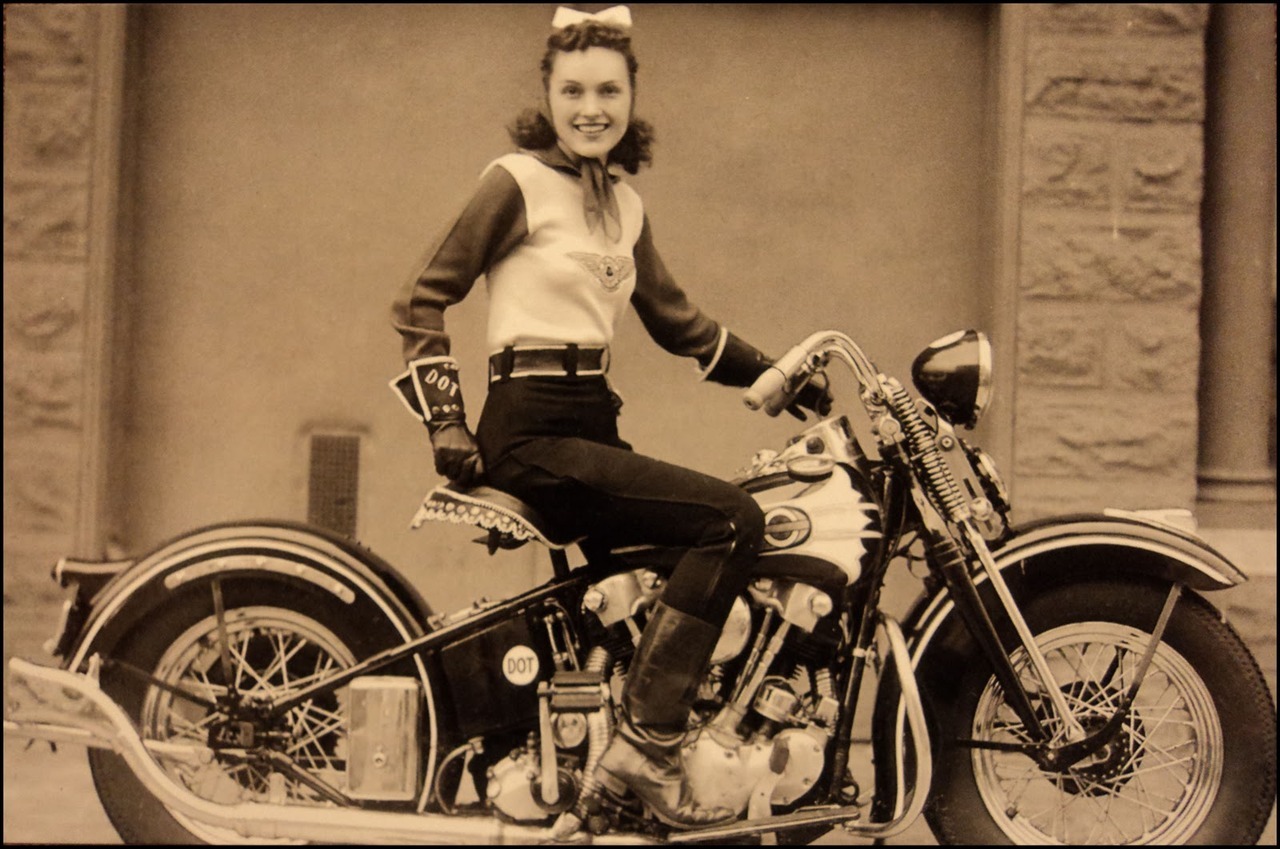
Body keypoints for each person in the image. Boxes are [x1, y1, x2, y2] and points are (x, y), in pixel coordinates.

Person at [390, 5, 829, 829]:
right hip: (529, 428)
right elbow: (422, 295)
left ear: (631, 97)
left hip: (592, 421)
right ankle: (648, 746)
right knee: (732, 522)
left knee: (654, 581)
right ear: (547, 96)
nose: (591, 107)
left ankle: (612, 763)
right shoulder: (514, 182)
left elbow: (679, 324)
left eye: (607, 90)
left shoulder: (624, 207)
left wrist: (777, 370)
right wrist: (444, 421)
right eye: (573, 90)